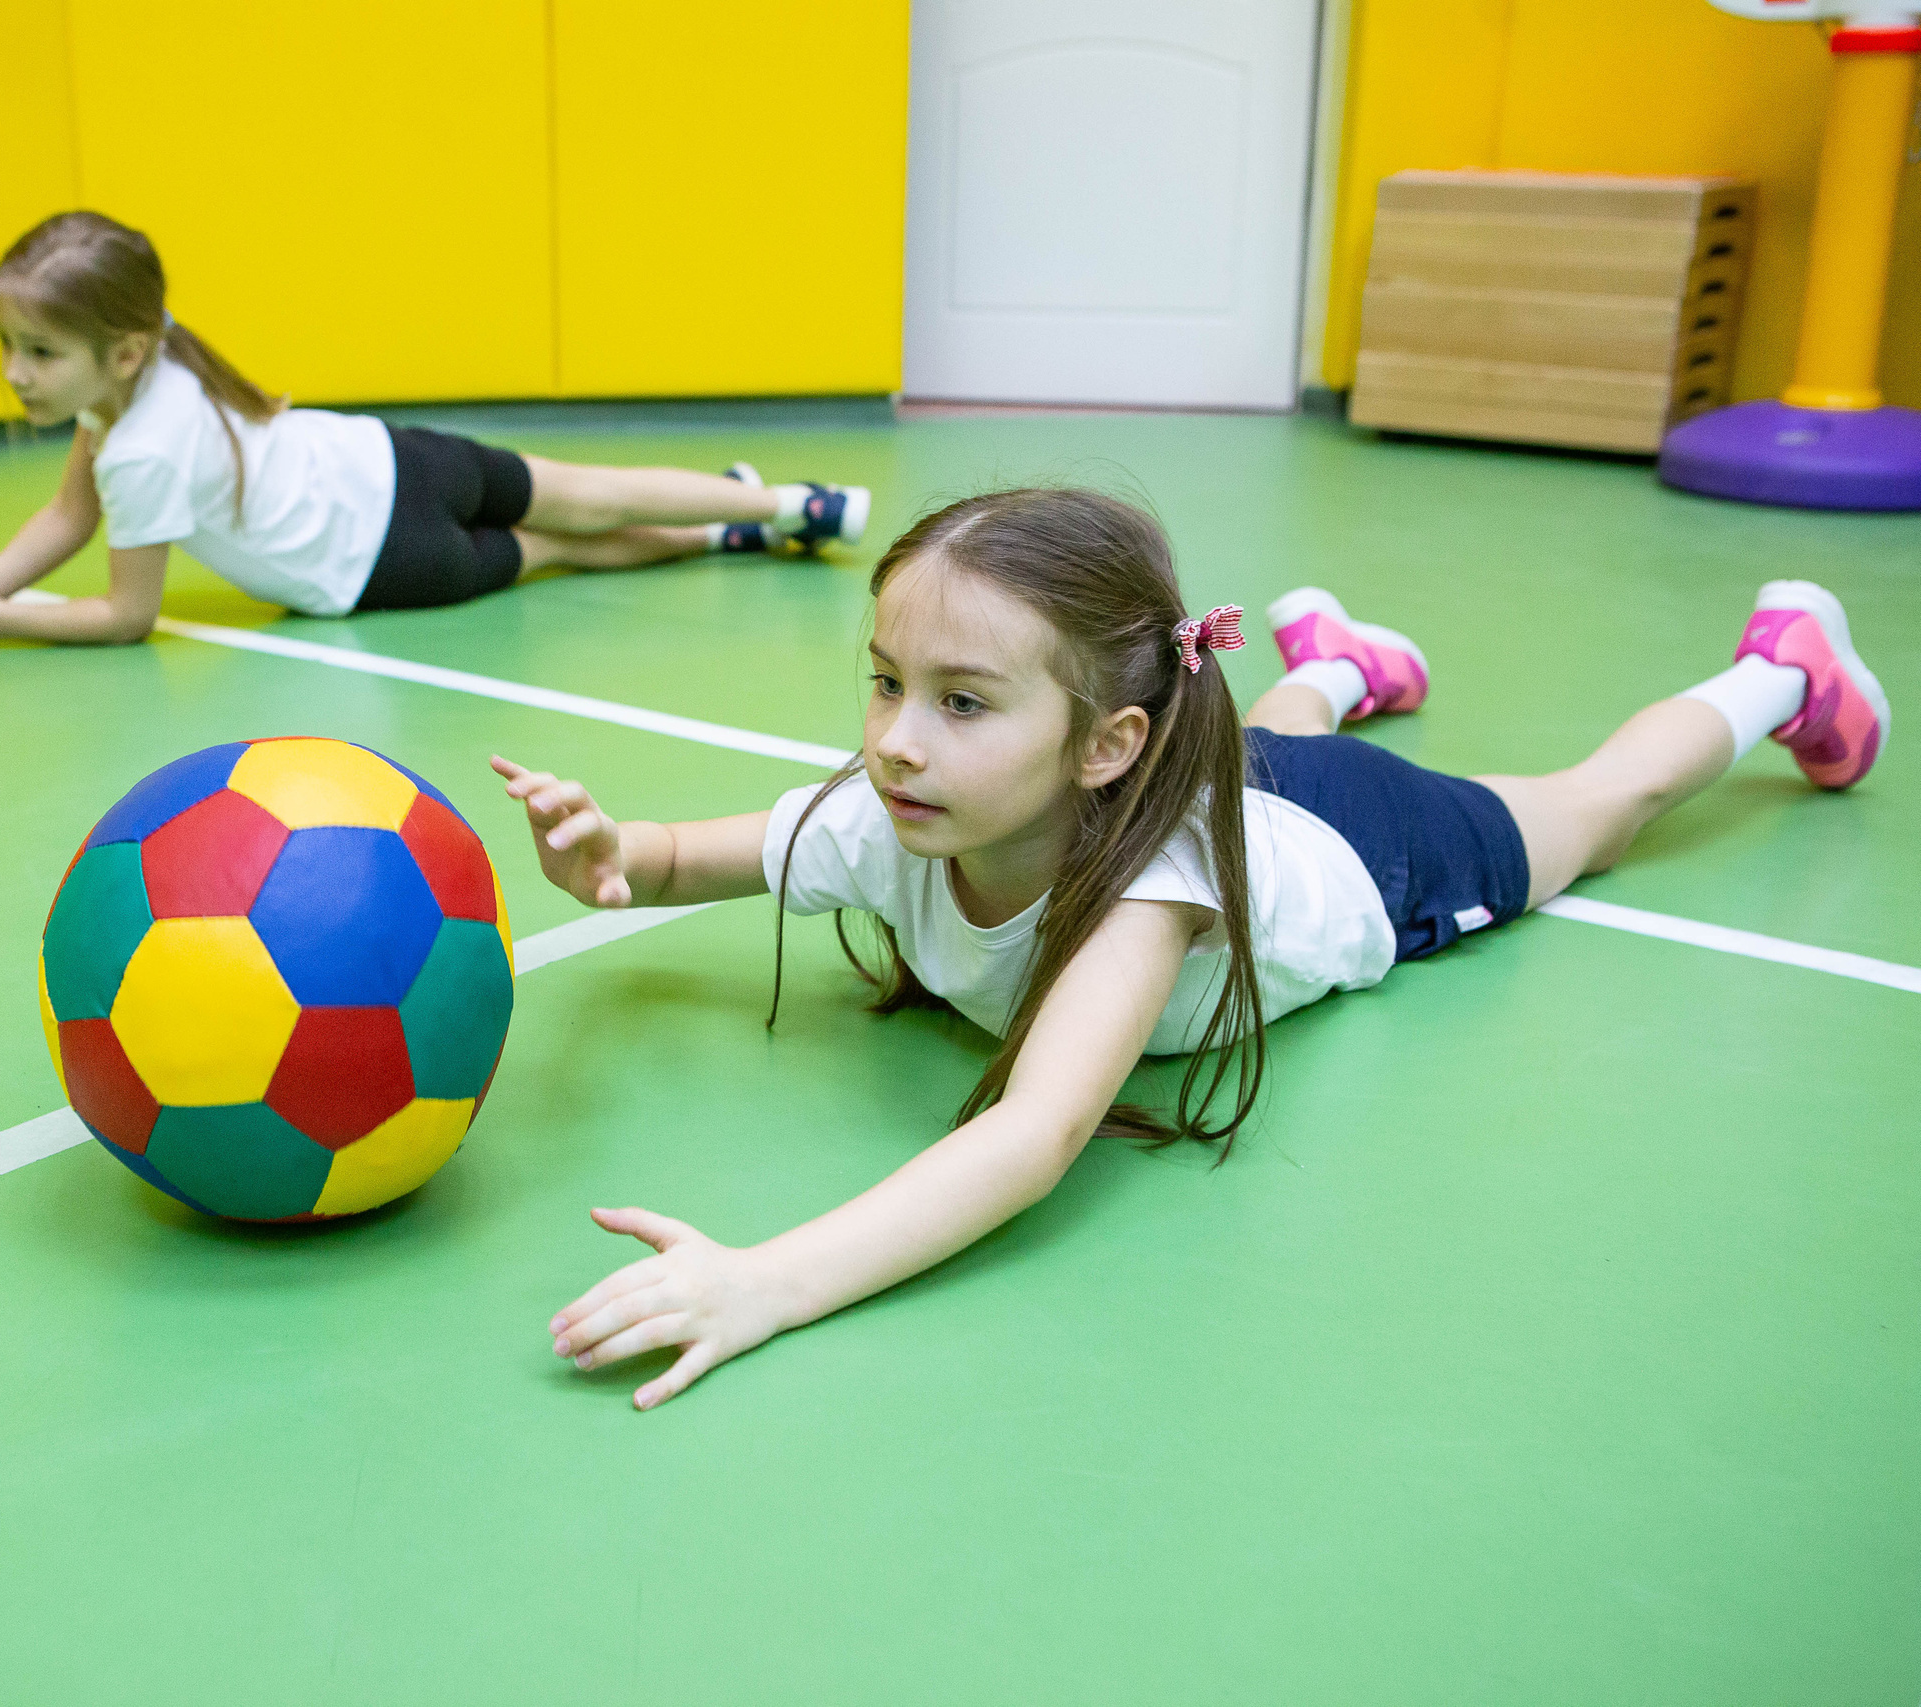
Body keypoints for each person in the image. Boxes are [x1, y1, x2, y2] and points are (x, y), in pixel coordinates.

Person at [493, 486, 1888, 1409]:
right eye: (886, 680)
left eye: (961, 700)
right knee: (1257, 744)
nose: (895, 737)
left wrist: (769, 1277)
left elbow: (1035, 1133)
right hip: (1220, 774)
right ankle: (1336, 663)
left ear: (1106, 745)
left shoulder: (1141, 891)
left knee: (1595, 807)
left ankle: (1782, 672)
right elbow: (679, 858)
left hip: (1359, 851)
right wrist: (613, 858)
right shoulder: (908, 807)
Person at [0, 212, 868, 651]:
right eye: (9, 346)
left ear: (123, 350)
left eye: (40, 353)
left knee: (563, 546)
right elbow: (66, 516)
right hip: (389, 458)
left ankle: (725, 531)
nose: (16, 373)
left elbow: (125, 617)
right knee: (584, 487)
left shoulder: (137, 450)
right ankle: (782, 504)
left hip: (383, 564)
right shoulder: (160, 347)